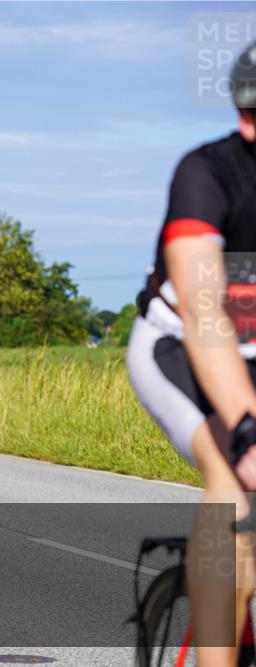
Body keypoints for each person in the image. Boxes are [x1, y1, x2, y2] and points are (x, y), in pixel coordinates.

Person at [128, 42, 256, 666]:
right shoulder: (207, 176)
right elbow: (207, 322)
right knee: (236, 482)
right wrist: (247, 430)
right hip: (182, 348)